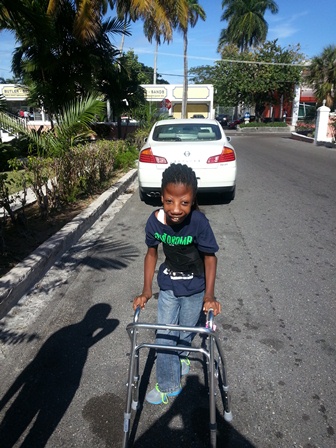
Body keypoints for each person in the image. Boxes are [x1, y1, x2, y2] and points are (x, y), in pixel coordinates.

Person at [133, 163, 221, 405]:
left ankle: (182, 357)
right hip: (169, 286)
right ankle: (169, 386)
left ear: (193, 200)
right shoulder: (155, 223)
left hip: (195, 289)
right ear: (162, 197)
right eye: (170, 200)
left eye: (184, 202)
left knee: (185, 330)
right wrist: (146, 290)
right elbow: (151, 253)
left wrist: (209, 295)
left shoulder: (199, 223)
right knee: (165, 335)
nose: (176, 209)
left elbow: (210, 257)